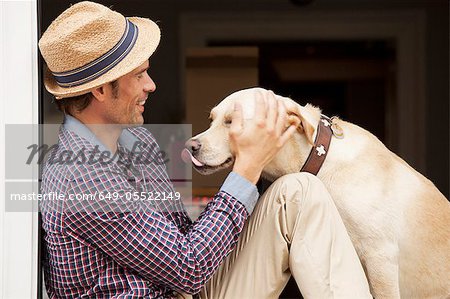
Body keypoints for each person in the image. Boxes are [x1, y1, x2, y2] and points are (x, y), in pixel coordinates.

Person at [39, 2, 372, 298]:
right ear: (99, 90)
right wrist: (248, 168)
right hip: (185, 282)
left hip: (188, 287)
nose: (150, 85)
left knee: (298, 191)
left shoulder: (136, 143)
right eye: (139, 74)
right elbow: (189, 268)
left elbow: (183, 241)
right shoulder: (80, 179)